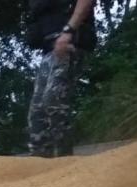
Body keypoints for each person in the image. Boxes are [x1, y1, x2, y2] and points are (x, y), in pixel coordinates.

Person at [25, 0, 96, 158]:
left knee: (53, 99)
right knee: (37, 112)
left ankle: (64, 160)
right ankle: (39, 165)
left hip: (70, 44)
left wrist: (68, 31)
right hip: (49, 50)